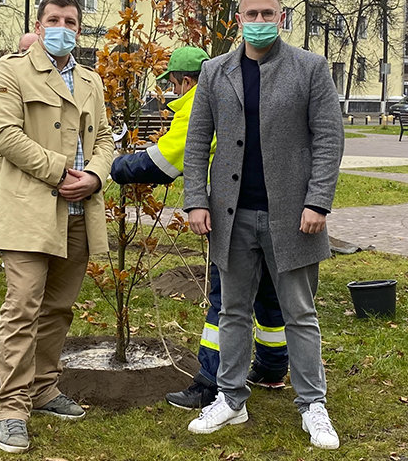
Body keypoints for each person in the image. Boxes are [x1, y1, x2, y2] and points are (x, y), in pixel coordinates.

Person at [183, 0, 344, 450]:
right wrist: (196, 200)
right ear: (238, 19)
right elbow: (197, 143)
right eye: (251, 14)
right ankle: (231, 398)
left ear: (281, 17)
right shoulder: (215, 72)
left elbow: (329, 140)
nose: (259, 22)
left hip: (293, 216)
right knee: (232, 310)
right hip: (231, 215)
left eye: (267, 14)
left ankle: (313, 404)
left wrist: (318, 201)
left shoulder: (310, 69)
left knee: (300, 313)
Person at [109, 47, 290, 410]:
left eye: (173, 84)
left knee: (225, 303)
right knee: (270, 292)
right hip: (269, 208)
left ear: (185, 80)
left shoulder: (196, 104)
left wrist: (117, 166)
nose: (173, 92)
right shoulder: (234, 92)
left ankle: (211, 382)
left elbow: (163, 162)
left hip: (232, 214)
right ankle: (272, 367)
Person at [0, 0, 114, 454]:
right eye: (54, 20)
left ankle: (43, 387)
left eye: (71, 21)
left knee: (58, 309)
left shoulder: (90, 80)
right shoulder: (11, 70)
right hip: (31, 209)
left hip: (80, 211)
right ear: (39, 26)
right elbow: (3, 134)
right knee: (23, 307)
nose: (63, 27)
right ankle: (11, 407)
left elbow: (104, 138)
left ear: (79, 29)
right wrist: (62, 171)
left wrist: (95, 175)